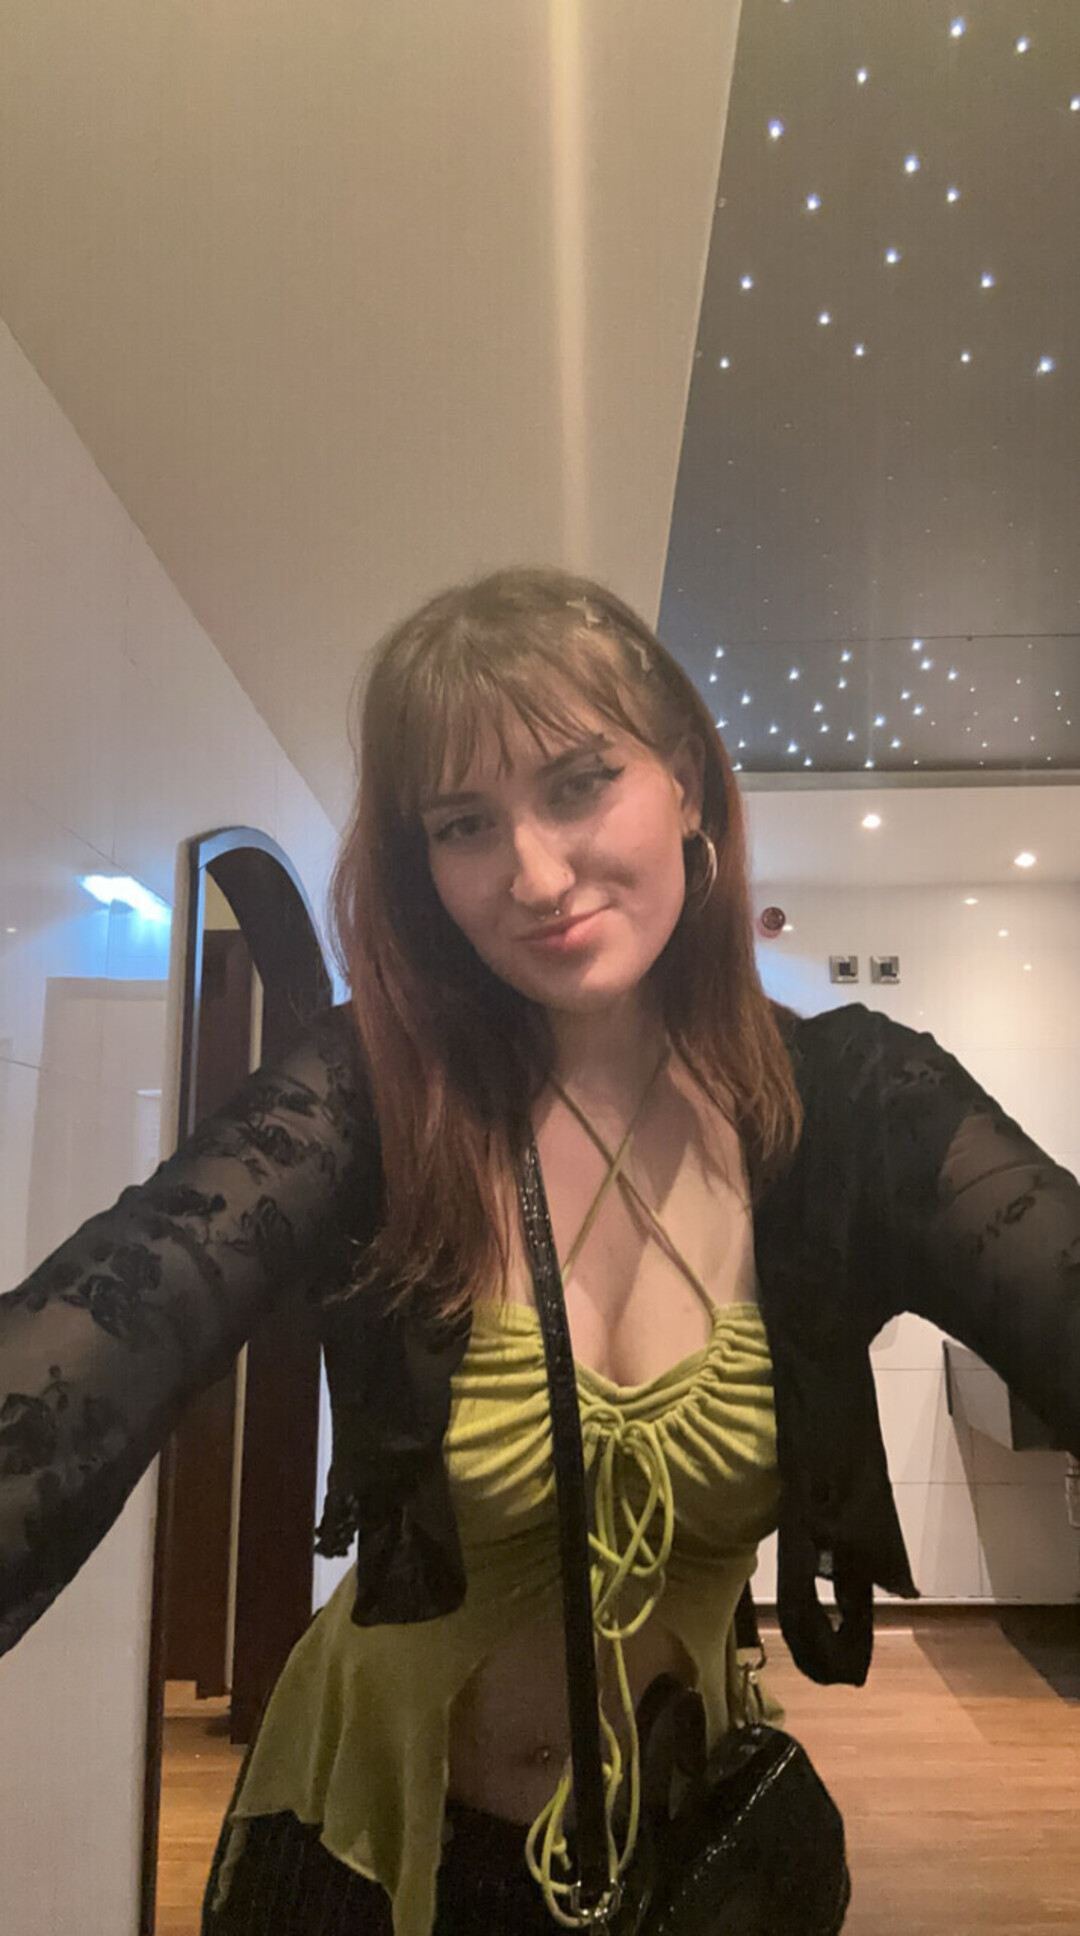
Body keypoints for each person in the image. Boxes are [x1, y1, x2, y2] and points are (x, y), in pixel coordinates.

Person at [1, 566, 1078, 1936]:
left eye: (579, 783)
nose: (534, 874)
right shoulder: (369, 1101)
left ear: (686, 783)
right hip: (374, 1857)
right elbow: (84, 1361)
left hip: (689, 1857)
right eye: (464, 824)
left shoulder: (856, 1107)